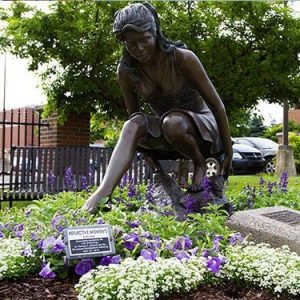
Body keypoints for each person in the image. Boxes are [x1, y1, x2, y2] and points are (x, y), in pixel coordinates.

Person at [85, 3, 232, 213]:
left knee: (172, 122)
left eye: (144, 40)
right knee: (134, 123)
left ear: (155, 32)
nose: (139, 49)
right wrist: (144, 149)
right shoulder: (127, 71)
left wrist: (228, 150)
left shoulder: (183, 58)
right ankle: (104, 193)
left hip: (203, 125)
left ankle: (199, 163)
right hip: (166, 128)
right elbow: (134, 118)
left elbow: (217, 105)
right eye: (131, 44)